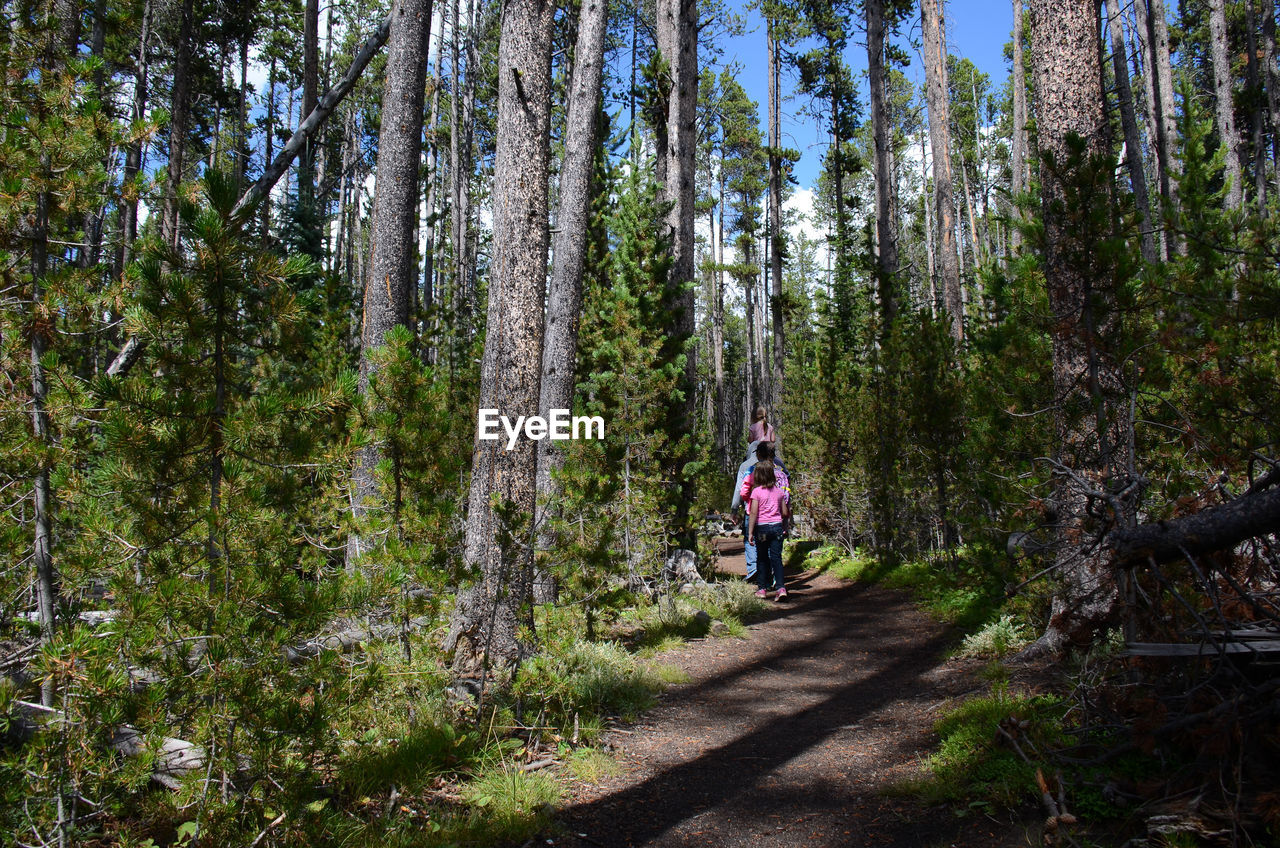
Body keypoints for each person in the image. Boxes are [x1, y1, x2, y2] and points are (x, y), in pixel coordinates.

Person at [730, 441, 790, 580]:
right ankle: (774, 576)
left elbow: (741, 489)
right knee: (773, 548)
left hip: (753, 510)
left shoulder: (747, 467)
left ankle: (754, 570)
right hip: (777, 513)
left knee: (751, 539)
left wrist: (736, 507)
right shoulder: (779, 465)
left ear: (755, 452)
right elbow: (787, 485)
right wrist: (786, 512)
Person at [747, 460, 790, 600]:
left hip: (762, 529)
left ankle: (762, 588)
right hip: (777, 528)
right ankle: (781, 587)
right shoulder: (778, 492)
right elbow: (784, 512)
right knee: (776, 558)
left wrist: (750, 532)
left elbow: (753, 513)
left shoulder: (756, 493)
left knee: (762, 558)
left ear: (758, 476)